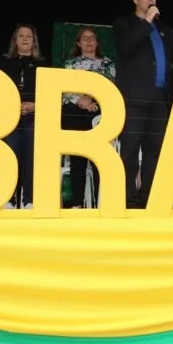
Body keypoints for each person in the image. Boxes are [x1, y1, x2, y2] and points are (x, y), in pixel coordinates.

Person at [113, 0, 173, 208]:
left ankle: (148, 198)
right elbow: (127, 46)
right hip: (134, 98)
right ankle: (127, 199)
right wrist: (146, 21)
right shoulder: (124, 24)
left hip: (160, 99)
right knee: (129, 149)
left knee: (155, 150)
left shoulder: (162, 29)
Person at [62, 26, 116, 208]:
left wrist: (91, 100)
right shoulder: (70, 63)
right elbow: (65, 88)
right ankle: (77, 203)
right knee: (78, 158)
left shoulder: (107, 63)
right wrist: (80, 100)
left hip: (98, 111)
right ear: (78, 43)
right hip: (74, 112)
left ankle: (101, 203)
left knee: (99, 159)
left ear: (97, 42)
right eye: (84, 38)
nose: (89, 41)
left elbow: (109, 85)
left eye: (92, 38)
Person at [0, 23, 44, 208]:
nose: (24, 39)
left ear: (34, 41)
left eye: (28, 36)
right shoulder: (3, 63)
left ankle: (29, 199)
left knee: (32, 157)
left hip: (33, 118)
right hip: (9, 118)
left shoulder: (43, 64)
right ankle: (8, 198)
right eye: (21, 35)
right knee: (9, 156)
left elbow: (50, 93)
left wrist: (36, 105)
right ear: (15, 40)